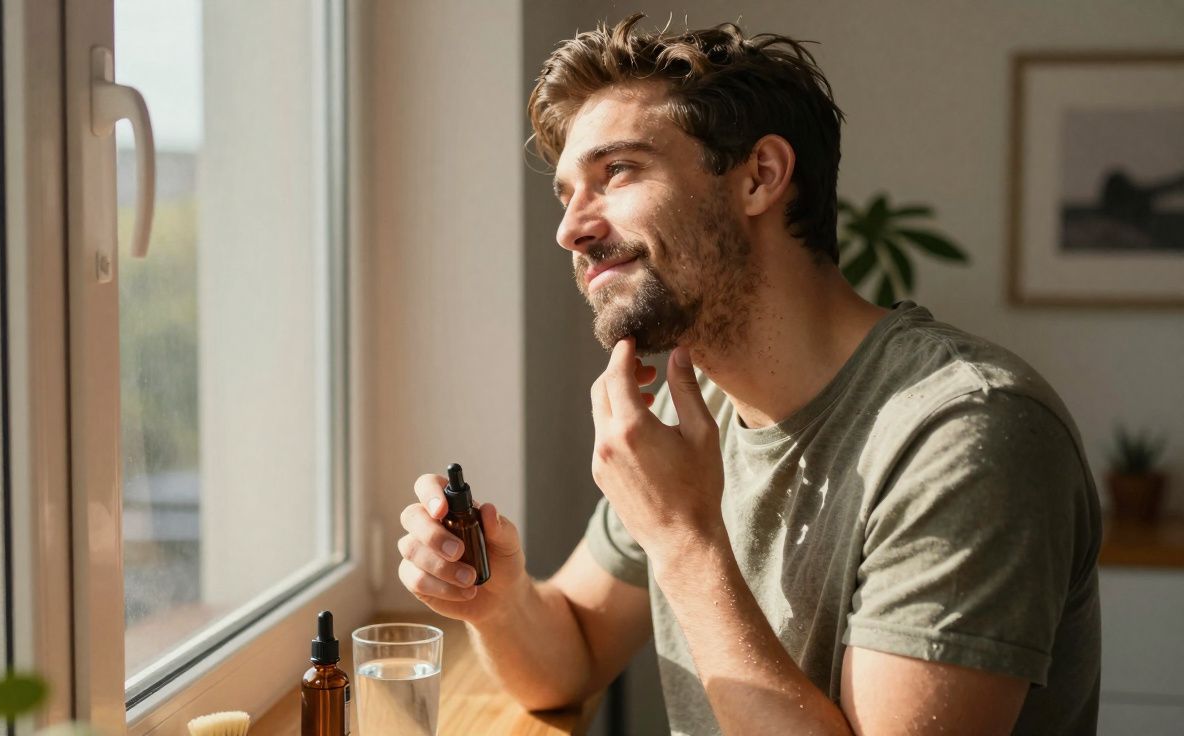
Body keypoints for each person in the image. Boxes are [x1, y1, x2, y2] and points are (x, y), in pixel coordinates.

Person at [396, 14, 1101, 735]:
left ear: (760, 176)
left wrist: (683, 538)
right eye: (567, 193)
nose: (570, 229)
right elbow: (572, 655)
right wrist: (497, 597)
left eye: (617, 172)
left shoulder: (967, 432)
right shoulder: (695, 412)